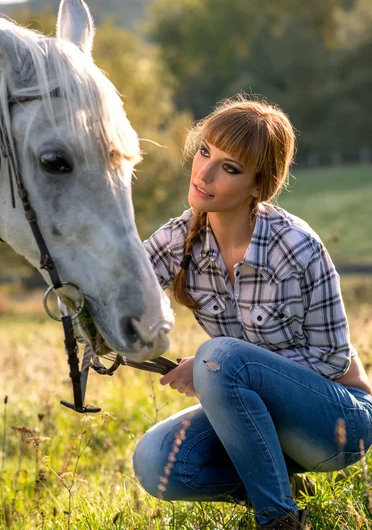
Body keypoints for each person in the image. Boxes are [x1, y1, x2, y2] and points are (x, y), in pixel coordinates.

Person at [132, 97, 372, 529]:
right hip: (257, 424)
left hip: (337, 422)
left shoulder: (294, 247)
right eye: (205, 152)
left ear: (259, 186)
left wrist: (214, 368)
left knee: (220, 356)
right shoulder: (179, 236)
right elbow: (124, 283)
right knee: (157, 461)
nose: (204, 173)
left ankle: (276, 519)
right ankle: (278, 486)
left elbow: (331, 362)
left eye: (230, 168)